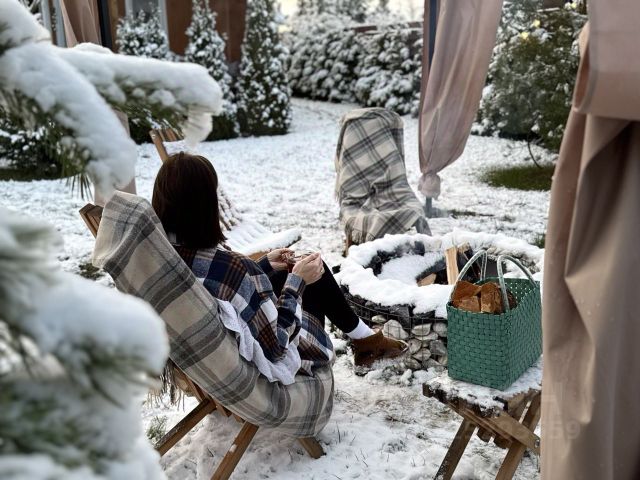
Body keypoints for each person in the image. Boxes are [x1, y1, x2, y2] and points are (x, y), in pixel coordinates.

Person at [152, 152, 408, 375]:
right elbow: (276, 346)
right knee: (312, 279)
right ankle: (364, 343)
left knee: (300, 268)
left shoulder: (162, 256)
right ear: (205, 206)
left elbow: (233, 287)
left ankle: (365, 341)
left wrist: (263, 266)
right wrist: (298, 282)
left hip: (211, 352)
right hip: (268, 359)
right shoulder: (227, 265)